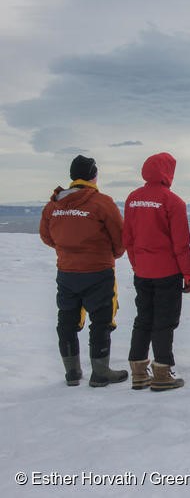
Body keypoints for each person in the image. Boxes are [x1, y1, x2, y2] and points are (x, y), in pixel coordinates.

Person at [39, 155, 128, 387]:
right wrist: (109, 255)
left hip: (67, 272)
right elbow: (120, 238)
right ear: (93, 176)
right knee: (101, 321)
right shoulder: (102, 203)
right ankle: (100, 373)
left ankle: (72, 373)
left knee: (66, 320)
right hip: (98, 271)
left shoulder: (53, 205)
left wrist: (68, 251)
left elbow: (47, 237)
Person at [123, 152, 190, 391]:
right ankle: (163, 371)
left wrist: (137, 264)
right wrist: (188, 274)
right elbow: (180, 244)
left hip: (142, 270)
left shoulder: (133, 199)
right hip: (167, 271)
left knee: (143, 319)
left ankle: (139, 371)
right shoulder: (173, 202)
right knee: (164, 321)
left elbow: (129, 238)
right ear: (168, 172)